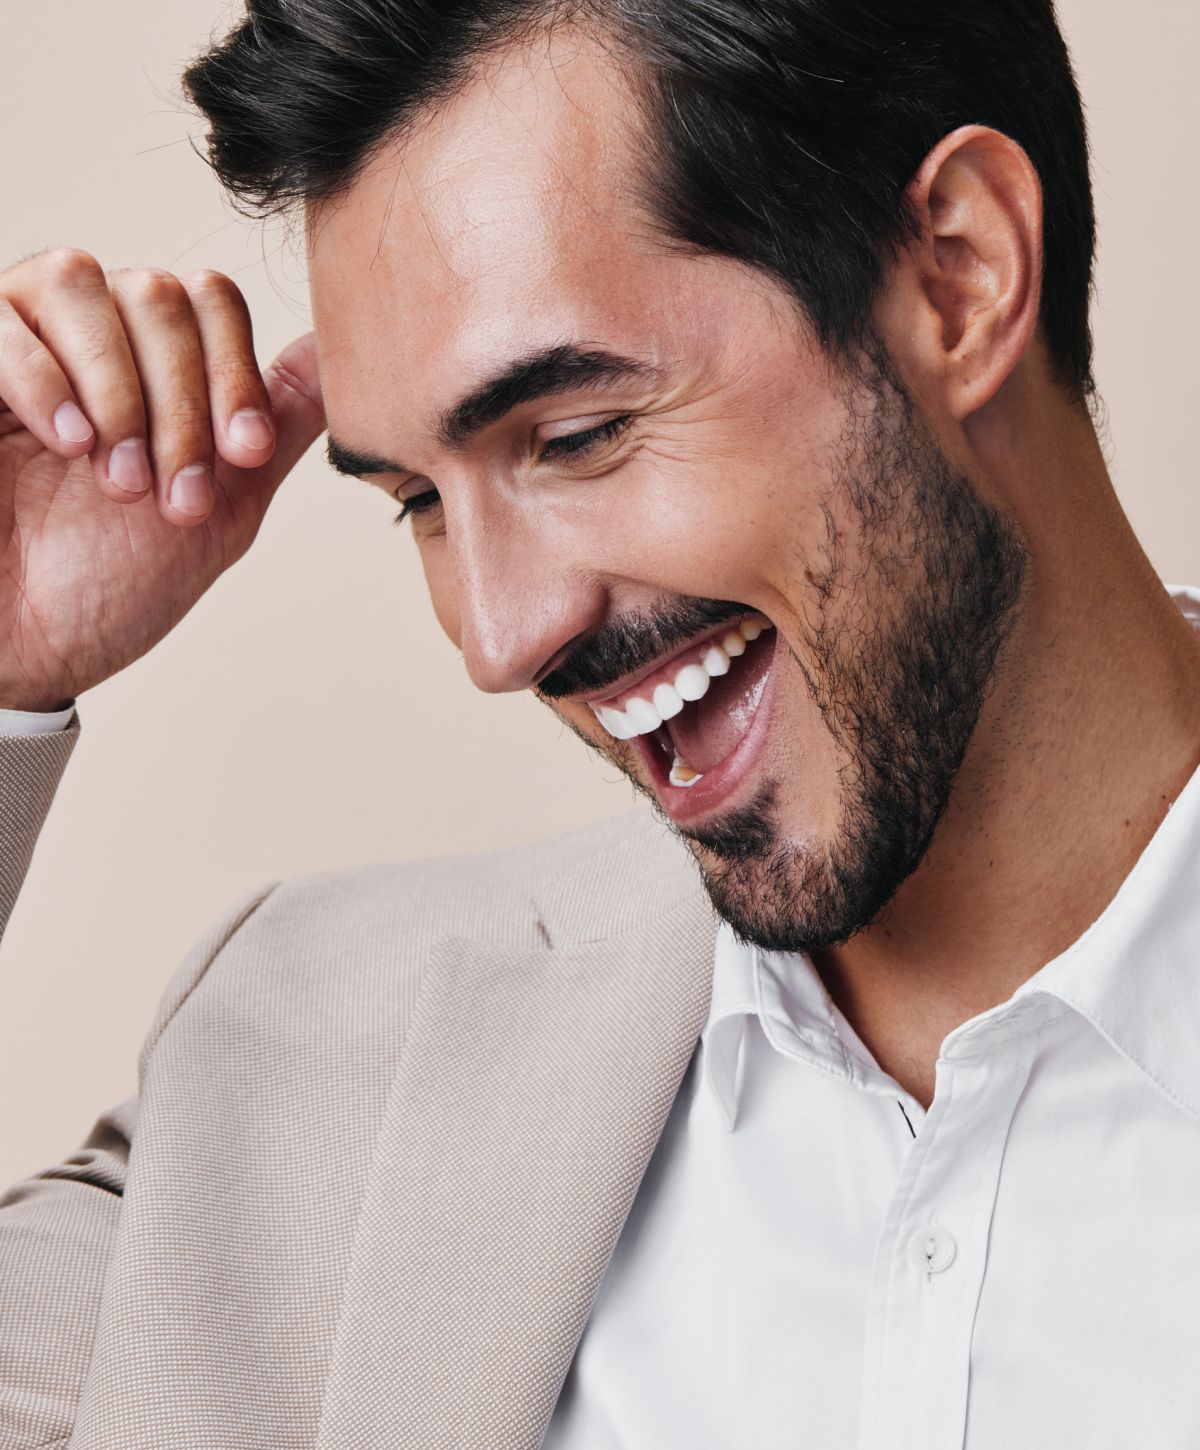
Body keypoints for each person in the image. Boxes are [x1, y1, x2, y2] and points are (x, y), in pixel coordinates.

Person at [2, 1, 1198, 1446]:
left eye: (575, 436)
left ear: (959, 275)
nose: (500, 638)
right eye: (420, 504)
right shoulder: (305, 1066)